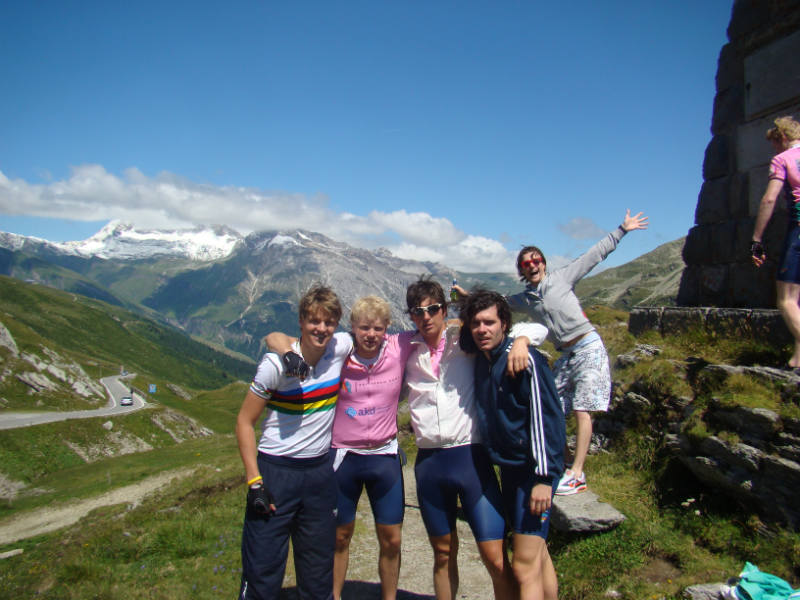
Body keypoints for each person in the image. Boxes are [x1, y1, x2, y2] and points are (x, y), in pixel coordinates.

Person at [456, 210, 647, 495]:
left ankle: (577, 473)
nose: (532, 265)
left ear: (544, 264)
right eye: (526, 263)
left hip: (588, 345)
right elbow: (497, 304)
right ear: (522, 271)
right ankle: (563, 463)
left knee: (582, 407)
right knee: (550, 406)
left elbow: (594, 255)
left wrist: (622, 229)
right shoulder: (525, 299)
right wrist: (467, 298)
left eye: (536, 260)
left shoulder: (562, 278)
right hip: (566, 354)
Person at [403, 277, 544, 600]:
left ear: (445, 309)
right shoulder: (406, 350)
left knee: (495, 558)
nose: (426, 317)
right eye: (418, 311)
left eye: (433, 309)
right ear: (411, 316)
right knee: (442, 554)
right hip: (429, 463)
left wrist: (522, 341)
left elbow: (535, 328)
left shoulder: (464, 340)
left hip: (470, 458)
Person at [266, 296, 414, 600]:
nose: (371, 334)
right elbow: (275, 337)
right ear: (352, 328)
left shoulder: (398, 345)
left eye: (377, 328)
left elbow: (440, 328)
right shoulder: (339, 347)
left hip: (384, 455)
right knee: (340, 537)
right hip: (343, 456)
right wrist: (287, 354)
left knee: (392, 539)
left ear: (387, 328)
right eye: (364, 328)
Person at [236, 284, 353, 600]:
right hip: (277, 472)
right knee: (262, 570)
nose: (321, 329)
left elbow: (375, 331)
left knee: (318, 573)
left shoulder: (340, 347)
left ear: (336, 325)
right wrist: (255, 482)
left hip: (319, 473)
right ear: (301, 321)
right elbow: (244, 422)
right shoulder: (275, 366)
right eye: (314, 321)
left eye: (329, 322)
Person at [459, 288, 565, 600]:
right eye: (476, 323)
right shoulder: (484, 358)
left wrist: (544, 478)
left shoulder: (524, 360)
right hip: (511, 469)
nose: (482, 329)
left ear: (504, 324)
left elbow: (547, 420)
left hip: (534, 472)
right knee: (538, 555)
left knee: (523, 566)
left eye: (489, 322)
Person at [751, 116, 800, 372]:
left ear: (782, 137)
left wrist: (756, 239)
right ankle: (797, 360)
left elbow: (769, 200)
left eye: (774, 143)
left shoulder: (783, 159)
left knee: (787, 300)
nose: (774, 149)